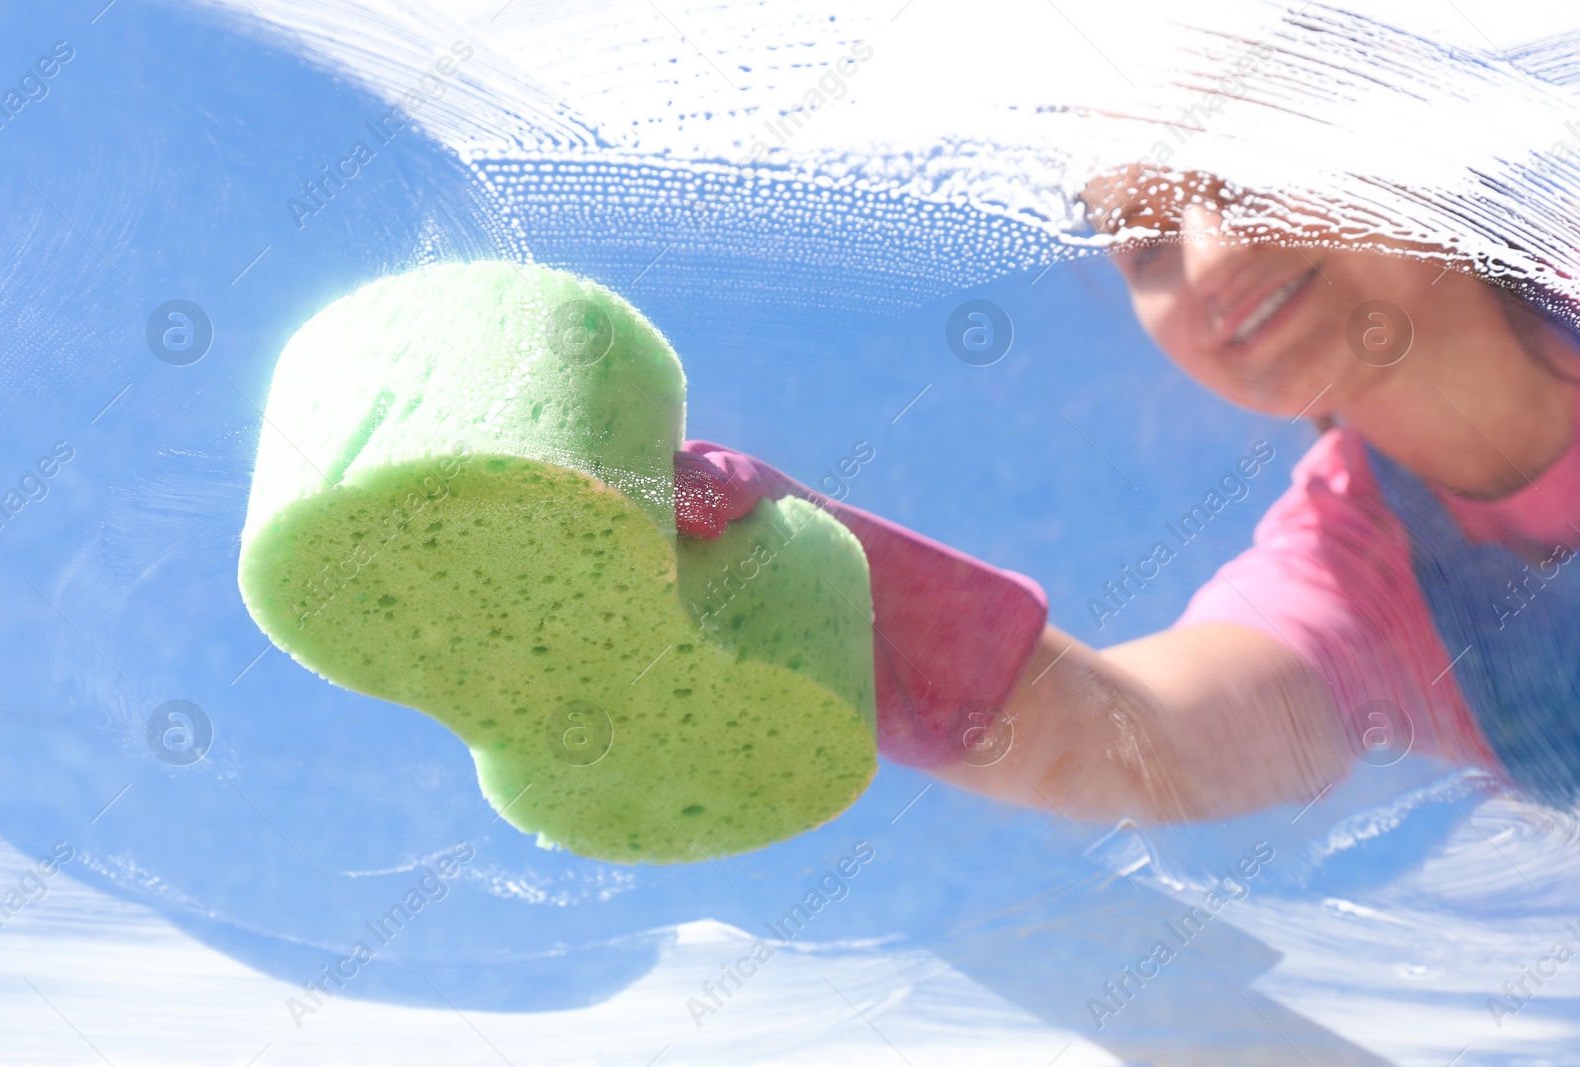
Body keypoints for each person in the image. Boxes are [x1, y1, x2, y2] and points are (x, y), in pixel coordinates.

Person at [674, 170, 1580, 824]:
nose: (1214, 258)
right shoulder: (1357, 579)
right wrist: (798, 580)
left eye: (1256, 174)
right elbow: (1142, 743)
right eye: (1148, 247)